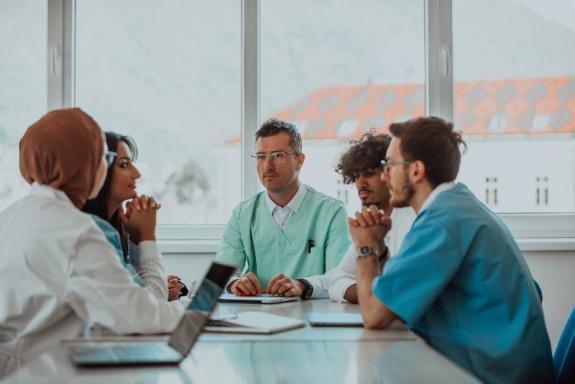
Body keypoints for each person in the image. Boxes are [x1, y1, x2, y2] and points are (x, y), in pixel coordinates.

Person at [350, 116, 554, 383]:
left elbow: (375, 315)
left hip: (491, 375)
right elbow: (398, 297)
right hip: (498, 365)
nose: (384, 174)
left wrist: (364, 247)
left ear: (416, 170)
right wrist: (379, 248)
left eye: (389, 165)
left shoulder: (443, 222)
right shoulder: (456, 206)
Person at [0, 109, 184, 376]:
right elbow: (138, 316)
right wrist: (193, 316)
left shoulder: (13, 215)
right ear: (83, 164)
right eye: (105, 159)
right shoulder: (73, 231)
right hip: (34, 371)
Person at [216, 118, 350, 299]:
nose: (268, 165)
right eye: (261, 156)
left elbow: (341, 278)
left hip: (312, 318)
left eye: (278, 155)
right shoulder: (242, 215)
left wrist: (303, 285)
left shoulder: (332, 212)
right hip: (258, 319)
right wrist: (234, 284)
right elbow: (219, 277)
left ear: (299, 161)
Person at [82, 132, 186, 300]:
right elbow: (150, 305)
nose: (136, 173)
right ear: (100, 170)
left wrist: (136, 238)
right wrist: (147, 236)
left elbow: (137, 291)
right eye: (124, 165)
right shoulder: (93, 234)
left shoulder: (112, 229)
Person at [328, 132, 415, 303]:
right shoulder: (369, 222)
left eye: (369, 173)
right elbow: (337, 282)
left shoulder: (414, 219)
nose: (360, 183)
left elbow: (402, 289)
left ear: (389, 174)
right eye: (356, 176)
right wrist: (370, 295)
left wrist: (369, 292)